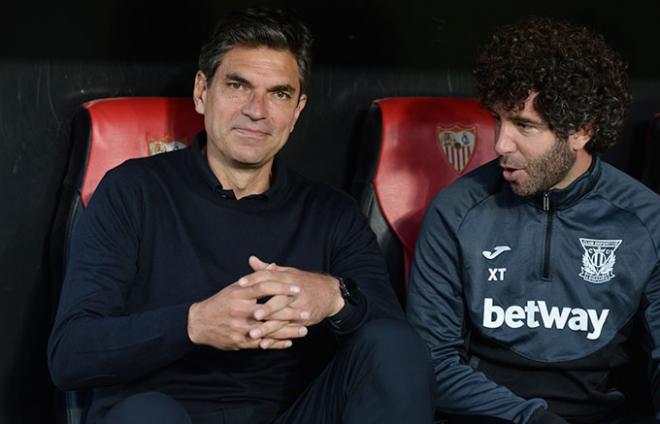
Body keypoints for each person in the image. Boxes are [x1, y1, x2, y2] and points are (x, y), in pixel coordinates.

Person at [48, 7, 434, 424]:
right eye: (238, 85)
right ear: (202, 91)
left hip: (296, 413)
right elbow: (71, 353)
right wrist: (194, 323)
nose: (257, 110)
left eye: (279, 94)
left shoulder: (330, 212)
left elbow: (397, 353)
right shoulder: (133, 192)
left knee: (395, 344)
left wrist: (333, 297)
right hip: (165, 412)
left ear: (298, 109)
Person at [406, 17, 660, 424]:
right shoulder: (455, 210)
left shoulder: (647, 220)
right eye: (498, 119)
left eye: (525, 125)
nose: (501, 143)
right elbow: (430, 361)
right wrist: (531, 418)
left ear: (581, 131)